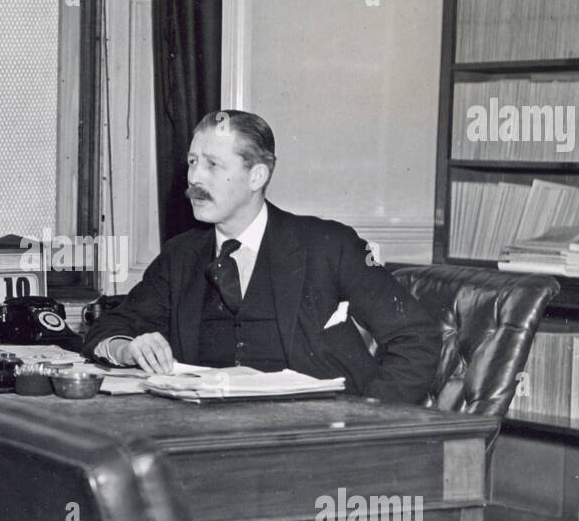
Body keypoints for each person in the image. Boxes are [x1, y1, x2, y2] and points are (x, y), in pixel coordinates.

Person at [85, 109, 441, 404]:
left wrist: (373, 417)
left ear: (257, 176)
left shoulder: (329, 245)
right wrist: (129, 348)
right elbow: (109, 328)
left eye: (212, 165)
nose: (193, 178)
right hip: (201, 437)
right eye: (192, 162)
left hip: (316, 436)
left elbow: (416, 336)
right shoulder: (181, 255)